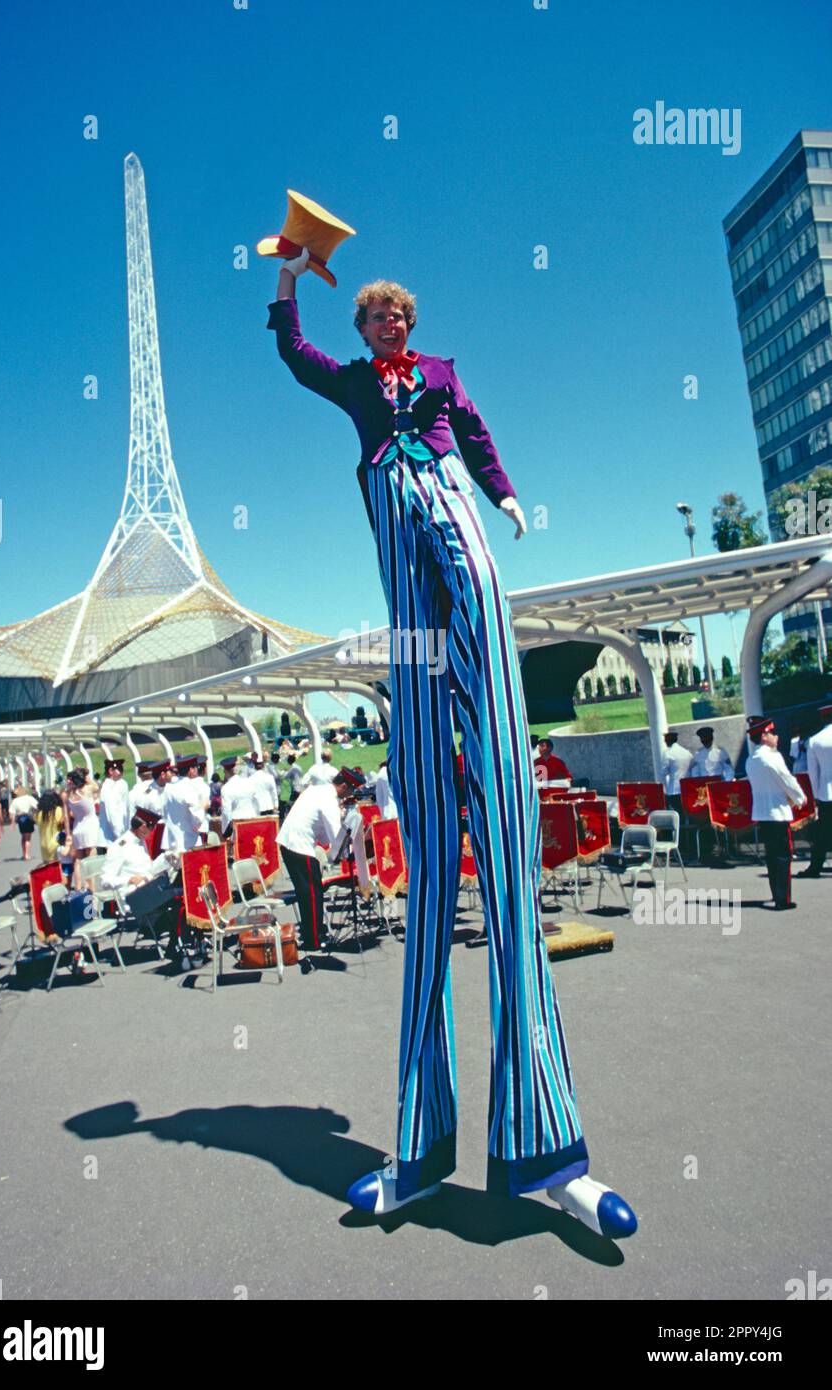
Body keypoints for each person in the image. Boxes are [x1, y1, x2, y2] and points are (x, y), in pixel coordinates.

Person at [265, 248, 636, 1235]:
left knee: (510, 855)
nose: (388, 330)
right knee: (431, 877)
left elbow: (472, 434)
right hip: (405, 582)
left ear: (410, 326)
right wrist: (289, 282)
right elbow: (295, 358)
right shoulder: (351, 387)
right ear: (365, 330)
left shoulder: (441, 379)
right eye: (375, 320)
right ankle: (420, 1150)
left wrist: (506, 492)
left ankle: (548, 1150)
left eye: (397, 319)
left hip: (455, 520)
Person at [276, 767, 364, 951]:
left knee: (308, 893)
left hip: (291, 843)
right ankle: (314, 940)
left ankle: (314, 933)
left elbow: (323, 832)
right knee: (312, 894)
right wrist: (348, 851)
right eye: (350, 790)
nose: (348, 795)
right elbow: (335, 835)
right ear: (343, 786)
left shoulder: (317, 789)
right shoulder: (329, 800)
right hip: (299, 845)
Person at [744, 715, 807, 911]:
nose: (776, 737)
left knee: (772, 858)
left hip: (762, 814)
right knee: (782, 857)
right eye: (772, 733)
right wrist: (800, 798)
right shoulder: (772, 756)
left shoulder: (751, 759)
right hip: (777, 813)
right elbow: (787, 780)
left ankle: (777, 894)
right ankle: (783, 899)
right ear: (764, 735)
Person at [802, 701, 832, 877]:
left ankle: (815, 867)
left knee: (822, 834)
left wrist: (815, 796)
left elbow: (813, 773)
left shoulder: (814, 740)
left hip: (826, 792)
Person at [162, 756, 207, 850]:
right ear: (191, 770)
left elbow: (165, 811)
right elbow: (197, 814)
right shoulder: (189, 788)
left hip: (171, 837)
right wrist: (198, 824)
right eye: (196, 768)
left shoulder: (168, 787)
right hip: (187, 838)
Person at [660, 730, 692, 820]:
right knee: (688, 814)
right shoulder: (687, 752)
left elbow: (663, 772)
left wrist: (664, 789)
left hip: (674, 790)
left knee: (677, 816)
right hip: (687, 788)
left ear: (667, 741)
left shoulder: (668, 753)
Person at [99, 758, 130, 846]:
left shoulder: (119, 784)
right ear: (111, 771)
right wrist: (119, 835)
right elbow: (112, 813)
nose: (122, 772)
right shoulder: (108, 787)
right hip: (112, 837)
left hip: (120, 833)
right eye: (119, 769)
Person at [10, 784, 38, 860]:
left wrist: (13, 823)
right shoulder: (29, 798)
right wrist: (35, 814)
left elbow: (12, 812)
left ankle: (24, 853)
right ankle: (27, 854)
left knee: (23, 836)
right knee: (28, 837)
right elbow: (36, 806)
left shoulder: (15, 800)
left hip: (20, 819)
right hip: (28, 817)